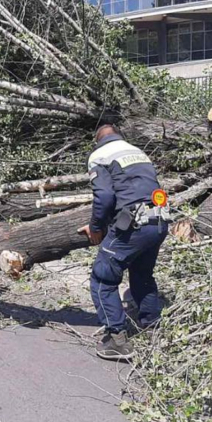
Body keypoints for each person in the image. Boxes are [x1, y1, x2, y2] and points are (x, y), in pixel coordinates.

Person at [77, 124, 169, 361]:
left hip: (134, 225)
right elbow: (135, 190)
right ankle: (152, 327)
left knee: (102, 277)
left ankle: (116, 338)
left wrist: (96, 228)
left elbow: (105, 197)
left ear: (97, 139)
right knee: (142, 274)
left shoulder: (100, 155)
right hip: (158, 221)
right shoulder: (137, 152)